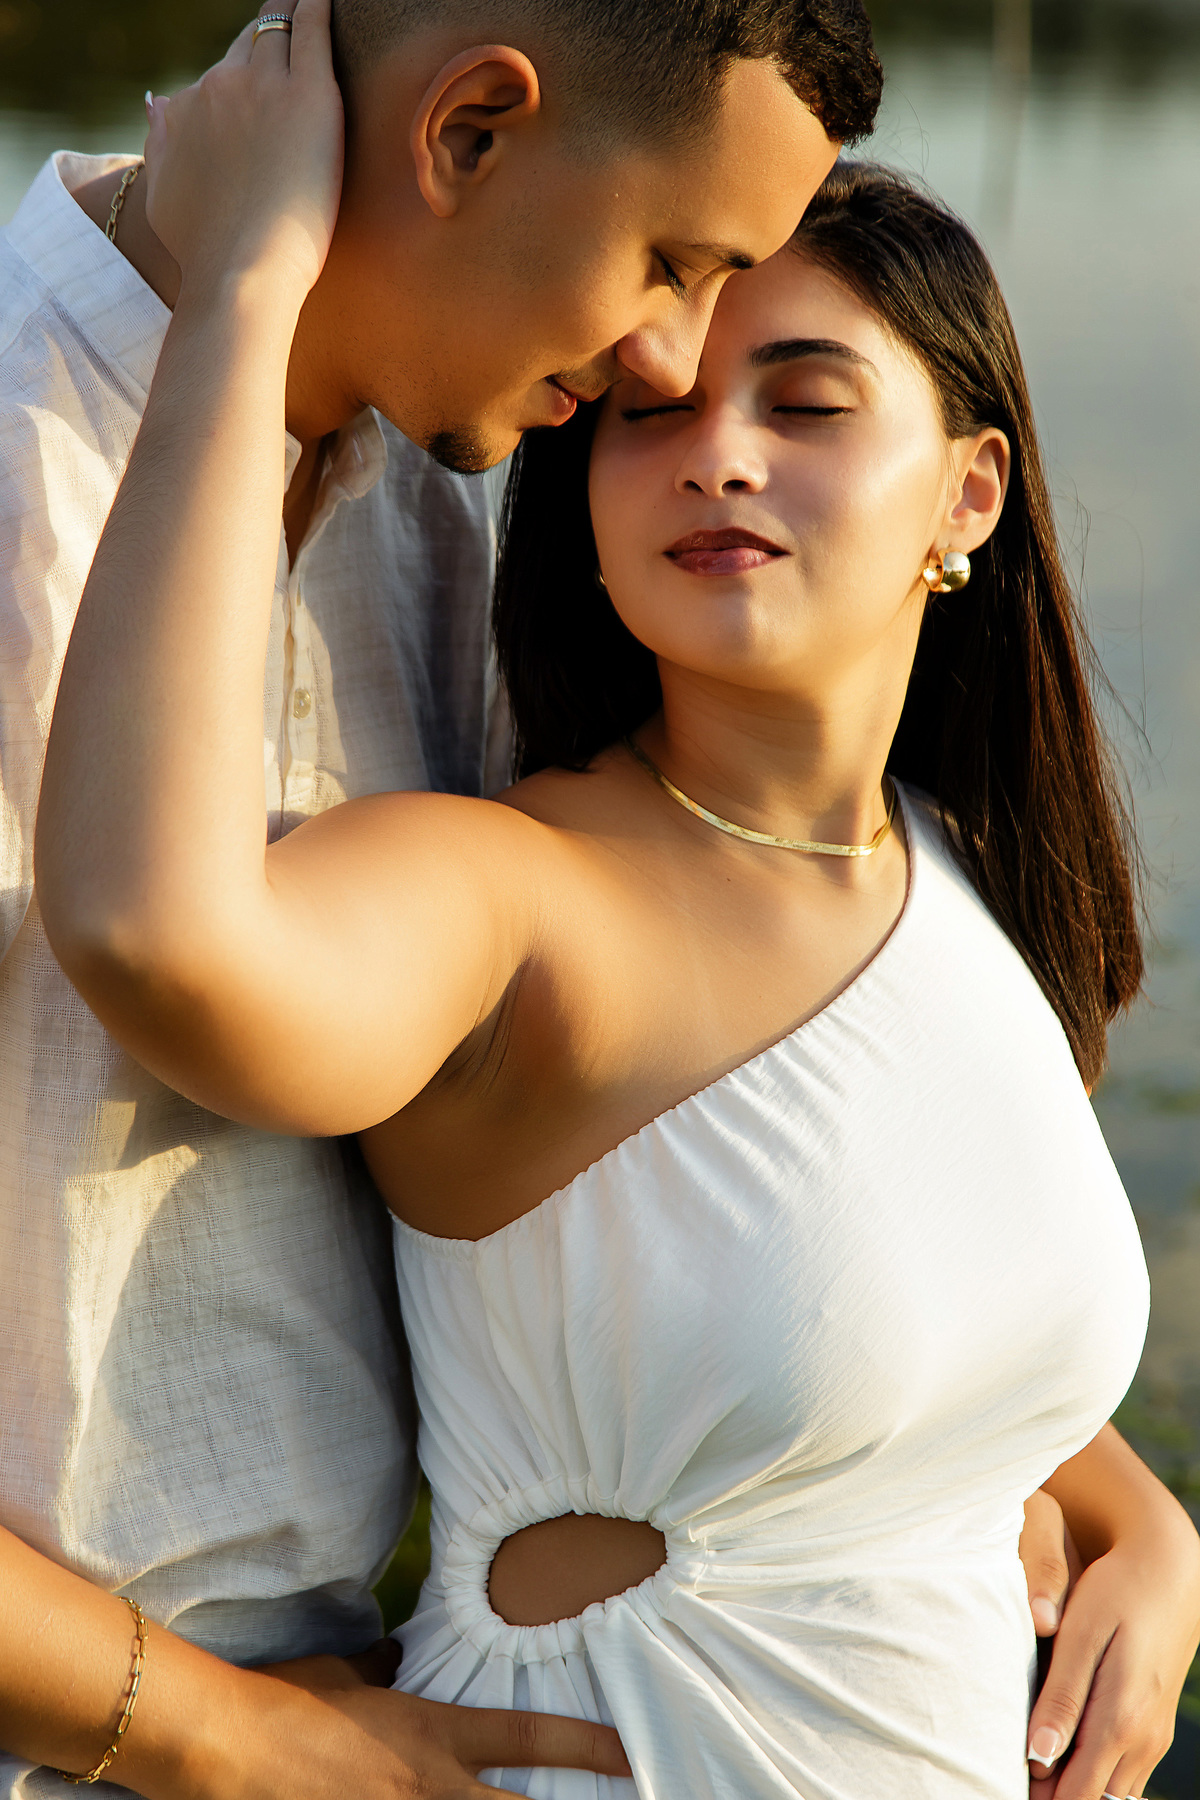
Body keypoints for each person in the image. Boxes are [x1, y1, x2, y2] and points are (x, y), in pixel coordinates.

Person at [31, 12, 1200, 1797]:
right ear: (469, 128)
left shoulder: (435, 501)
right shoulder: (518, 849)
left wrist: (1086, 1480)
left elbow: (708, 1221)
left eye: (791, 386)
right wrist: (233, 1741)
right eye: (671, 267)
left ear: (970, 496)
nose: (672, 375)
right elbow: (182, 943)